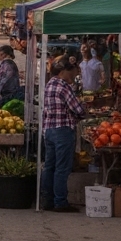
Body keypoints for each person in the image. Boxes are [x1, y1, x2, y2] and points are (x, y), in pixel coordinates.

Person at [40, 56, 87, 212]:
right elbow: (79, 110)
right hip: (63, 131)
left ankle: (47, 200)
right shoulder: (64, 87)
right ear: (64, 71)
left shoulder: (49, 85)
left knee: (49, 167)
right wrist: (82, 110)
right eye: (72, 72)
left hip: (49, 131)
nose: (74, 75)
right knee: (62, 168)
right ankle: (60, 202)